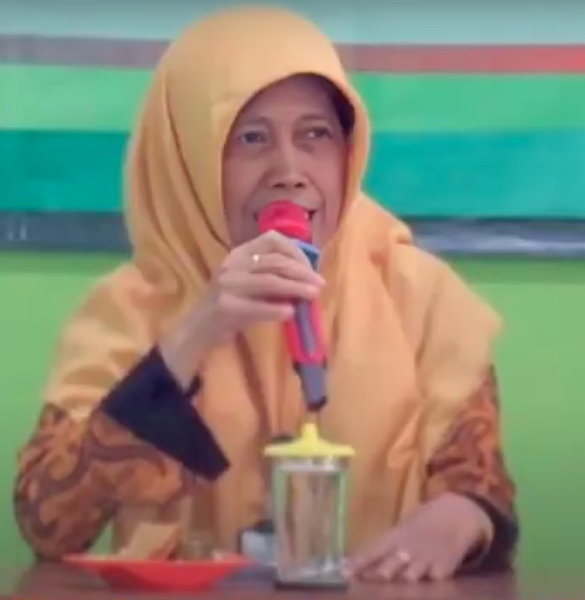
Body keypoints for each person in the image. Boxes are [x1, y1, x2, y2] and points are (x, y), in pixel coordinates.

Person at [13, 6, 518, 583]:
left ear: (349, 152)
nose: (289, 171)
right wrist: (193, 335)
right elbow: (48, 523)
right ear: (187, 158)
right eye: (251, 138)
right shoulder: (128, 311)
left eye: (315, 135)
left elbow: (479, 486)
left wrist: (460, 517)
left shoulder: (420, 296)